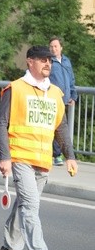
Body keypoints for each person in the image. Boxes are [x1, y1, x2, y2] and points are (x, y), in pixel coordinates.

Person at [0, 45, 78, 250]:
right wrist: (5, 157)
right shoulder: (16, 88)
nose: (47, 64)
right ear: (29, 62)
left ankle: (9, 248)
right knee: (31, 204)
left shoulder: (55, 93)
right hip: (20, 157)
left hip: (43, 160)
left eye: (50, 61)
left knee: (25, 203)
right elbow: (2, 123)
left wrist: (70, 155)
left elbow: (60, 127)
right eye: (43, 60)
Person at [48, 36, 76, 166]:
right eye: (51, 46)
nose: (53, 49)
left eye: (56, 46)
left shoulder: (66, 61)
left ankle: (58, 153)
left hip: (65, 99)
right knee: (55, 127)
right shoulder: (49, 62)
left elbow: (71, 80)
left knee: (60, 127)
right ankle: (57, 154)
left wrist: (73, 96)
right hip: (53, 99)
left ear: (61, 48)